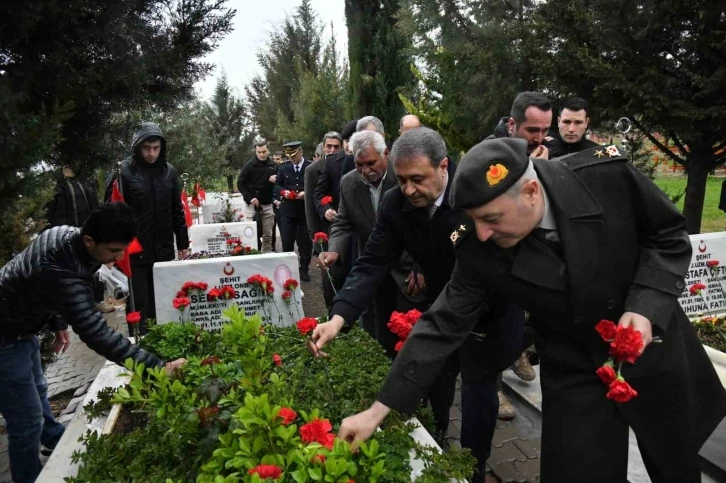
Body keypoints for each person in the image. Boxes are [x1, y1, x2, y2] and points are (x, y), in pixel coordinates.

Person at [332, 137, 726, 483]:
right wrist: (378, 411)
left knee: (674, 461)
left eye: (491, 219)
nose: (483, 233)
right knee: (579, 471)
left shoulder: (605, 177)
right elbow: (443, 322)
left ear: (532, 192)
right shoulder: (476, 245)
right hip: (573, 363)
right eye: (474, 221)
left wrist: (643, 306)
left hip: (651, 342)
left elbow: (667, 236)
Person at [312, 128, 523, 479]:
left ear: (443, 167)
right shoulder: (396, 204)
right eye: (403, 179)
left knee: (477, 394)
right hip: (441, 306)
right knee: (437, 379)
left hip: (491, 314)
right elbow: (373, 262)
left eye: (417, 179)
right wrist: (338, 318)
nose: (409, 189)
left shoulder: (475, 196)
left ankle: (474, 467)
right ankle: (438, 437)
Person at [0, 202, 187, 483]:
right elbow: (95, 333)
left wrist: (57, 322)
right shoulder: (63, 268)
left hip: (19, 327)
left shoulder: (66, 235)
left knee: (38, 388)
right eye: (114, 250)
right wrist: (157, 366)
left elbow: (34, 282)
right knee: (25, 424)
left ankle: (52, 437)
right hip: (4, 338)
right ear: (90, 240)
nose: (120, 256)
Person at [320, 130, 402, 354]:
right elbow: (342, 222)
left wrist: (418, 267)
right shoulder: (349, 183)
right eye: (359, 165)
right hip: (374, 267)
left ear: (386, 153)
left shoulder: (403, 176)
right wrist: (334, 251)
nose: (366, 171)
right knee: (382, 328)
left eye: (371, 163)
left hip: (408, 271)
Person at [105, 122, 189, 333]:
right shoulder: (123, 171)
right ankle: (139, 345)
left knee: (162, 298)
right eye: (147, 148)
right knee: (139, 302)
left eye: (156, 148)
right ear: (137, 147)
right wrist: (112, 248)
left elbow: (176, 209)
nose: (151, 153)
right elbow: (110, 212)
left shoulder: (168, 172)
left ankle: (163, 342)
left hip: (163, 247)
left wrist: (183, 242)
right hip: (135, 249)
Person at [304, 132, 343, 312]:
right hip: (323, 231)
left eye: (336, 146)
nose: (332, 150)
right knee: (328, 277)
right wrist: (314, 236)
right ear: (323, 146)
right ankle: (331, 311)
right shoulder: (312, 170)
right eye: (329, 146)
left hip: (344, 229)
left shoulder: (346, 165)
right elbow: (310, 206)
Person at [276, 141, 312, 282]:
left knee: (305, 243)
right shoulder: (284, 167)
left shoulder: (310, 166)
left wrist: (306, 193)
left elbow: (316, 185)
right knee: (287, 241)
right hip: (288, 211)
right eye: (289, 155)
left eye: (294, 155)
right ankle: (288, 269)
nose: (291, 158)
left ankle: (304, 269)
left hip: (304, 211)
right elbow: (277, 185)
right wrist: (283, 192)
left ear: (301, 151)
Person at [237, 141, 277, 253]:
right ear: (255, 151)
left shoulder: (273, 165)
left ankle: (266, 255)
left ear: (268, 150)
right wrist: (250, 198)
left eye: (264, 152)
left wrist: (278, 178)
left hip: (267, 204)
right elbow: (240, 183)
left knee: (268, 233)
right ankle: (253, 254)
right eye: (259, 152)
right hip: (252, 205)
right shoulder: (249, 166)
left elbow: (282, 182)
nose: (262, 154)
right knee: (250, 233)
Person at [488, 91, 553, 160]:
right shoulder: (489, 154)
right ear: (511, 125)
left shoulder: (552, 149)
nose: (539, 139)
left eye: (545, 130)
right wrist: (535, 167)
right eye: (532, 130)